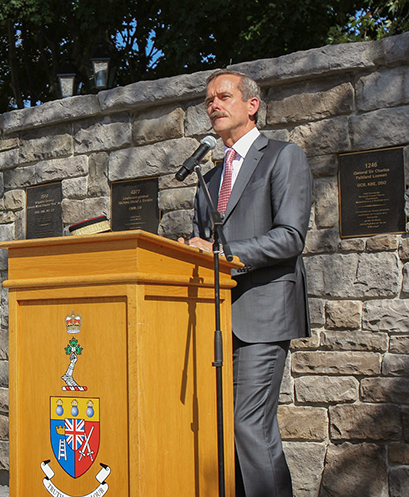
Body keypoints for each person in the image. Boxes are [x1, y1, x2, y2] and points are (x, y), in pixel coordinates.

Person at [178, 69, 312, 497]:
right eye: (208, 101)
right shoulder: (209, 178)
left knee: (249, 425)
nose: (213, 105)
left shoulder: (282, 157)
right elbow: (203, 246)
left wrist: (221, 253)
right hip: (214, 325)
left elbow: (290, 236)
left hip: (262, 318)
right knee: (220, 429)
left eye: (223, 97)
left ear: (251, 105)